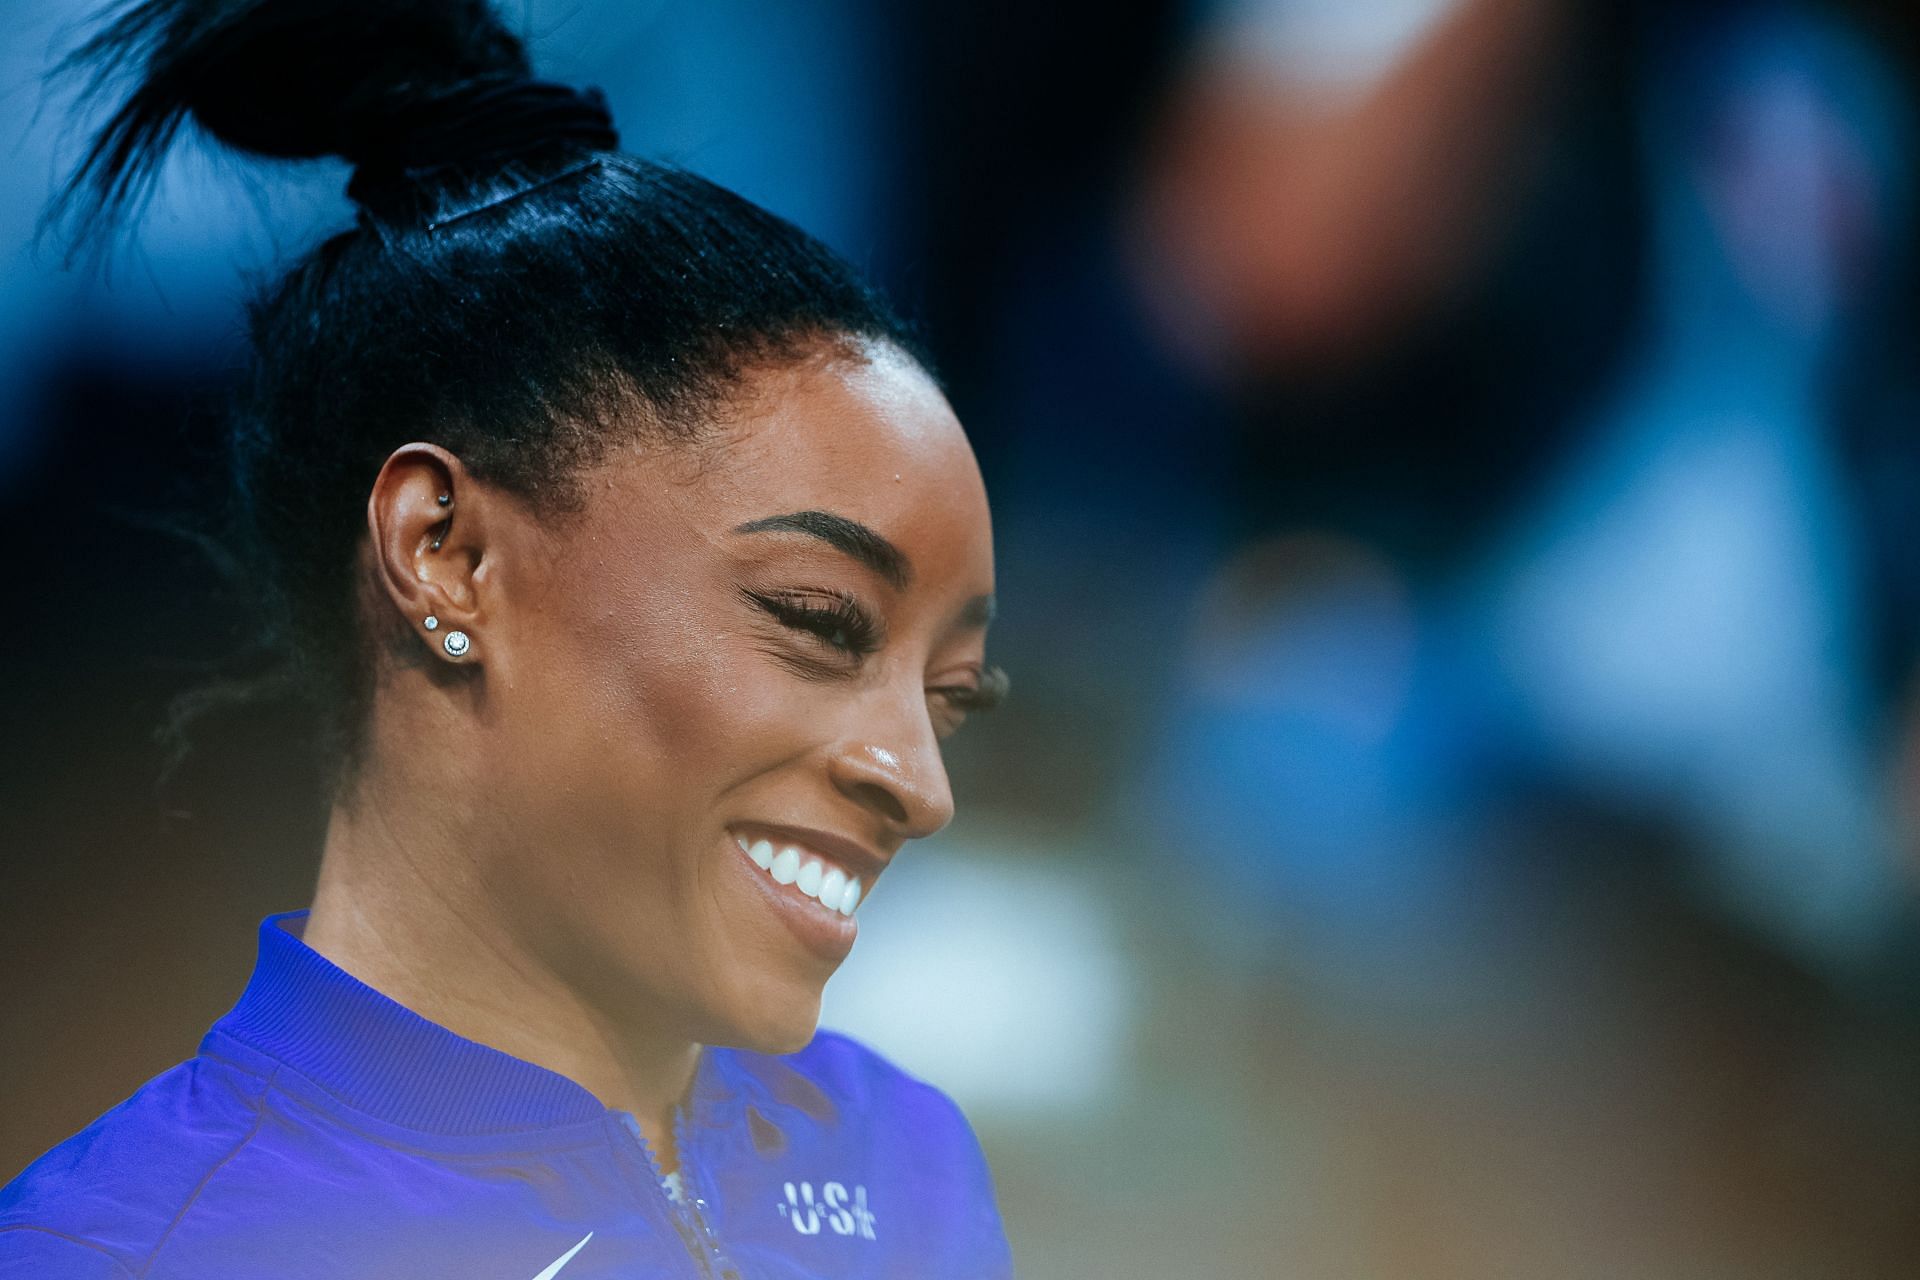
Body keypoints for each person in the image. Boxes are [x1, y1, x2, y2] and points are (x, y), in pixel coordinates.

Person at [0, 0, 1013, 1276]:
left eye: (955, 693)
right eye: (818, 623)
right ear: (448, 553)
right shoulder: (126, 1252)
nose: (921, 785)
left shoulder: (904, 1154)